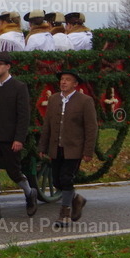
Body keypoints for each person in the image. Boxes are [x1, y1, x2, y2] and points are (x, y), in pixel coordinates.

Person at [0, 51, 38, 219]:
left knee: (14, 171)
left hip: (10, 137)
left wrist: (19, 138)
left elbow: (23, 115)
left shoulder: (19, 87)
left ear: (8, 66)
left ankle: (29, 192)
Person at [38, 69, 98, 228]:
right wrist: (43, 146)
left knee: (66, 178)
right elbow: (47, 125)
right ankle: (77, 199)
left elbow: (91, 127)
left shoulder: (85, 101)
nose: (63, 82)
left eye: (68, 80)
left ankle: (64, 214)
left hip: (74, 148)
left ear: (75, 84)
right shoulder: (54, 99)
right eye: (62, 79)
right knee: (57, 181)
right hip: (56, 147)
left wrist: (88, 151)